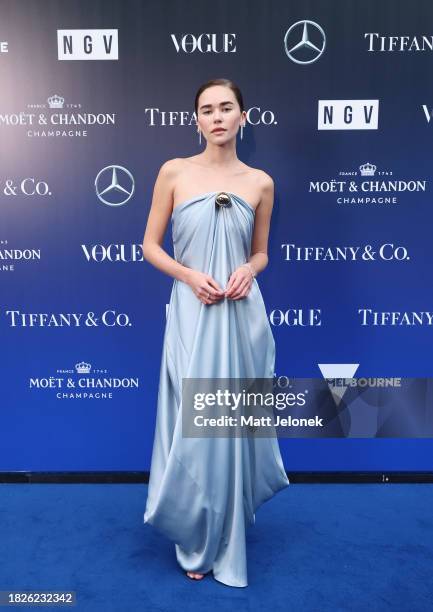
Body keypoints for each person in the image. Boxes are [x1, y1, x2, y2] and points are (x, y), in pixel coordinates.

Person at [141, 78, 289, 587]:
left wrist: (251, 269)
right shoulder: (174, 172)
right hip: (192, 308)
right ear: (198, 120)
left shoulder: (260, 182)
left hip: (240, 313)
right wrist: (187, 275)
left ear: (244, 116)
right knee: (192, 423)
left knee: (230, 423)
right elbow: (150, 246)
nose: (218, 116)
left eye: (227, 107)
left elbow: (261, 250)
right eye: (207, 110)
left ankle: (227, 533)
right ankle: (196, 531)